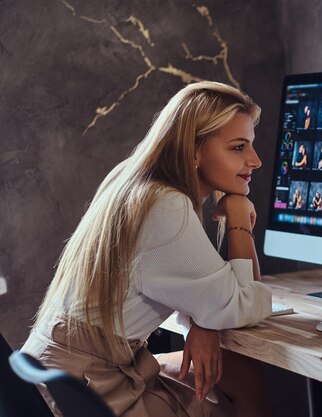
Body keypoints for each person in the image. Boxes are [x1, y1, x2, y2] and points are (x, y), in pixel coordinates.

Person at [21, 81, 273, 417]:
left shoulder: (133, 182)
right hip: (88, 392)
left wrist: (206, 320)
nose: (255, 161)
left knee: (236, 375)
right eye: (238, 148)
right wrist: (239, 218)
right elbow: (241, 304)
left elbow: (199, 290)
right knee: (243, 380)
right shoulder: (166, 207)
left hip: (55, 374)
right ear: (194, 150)